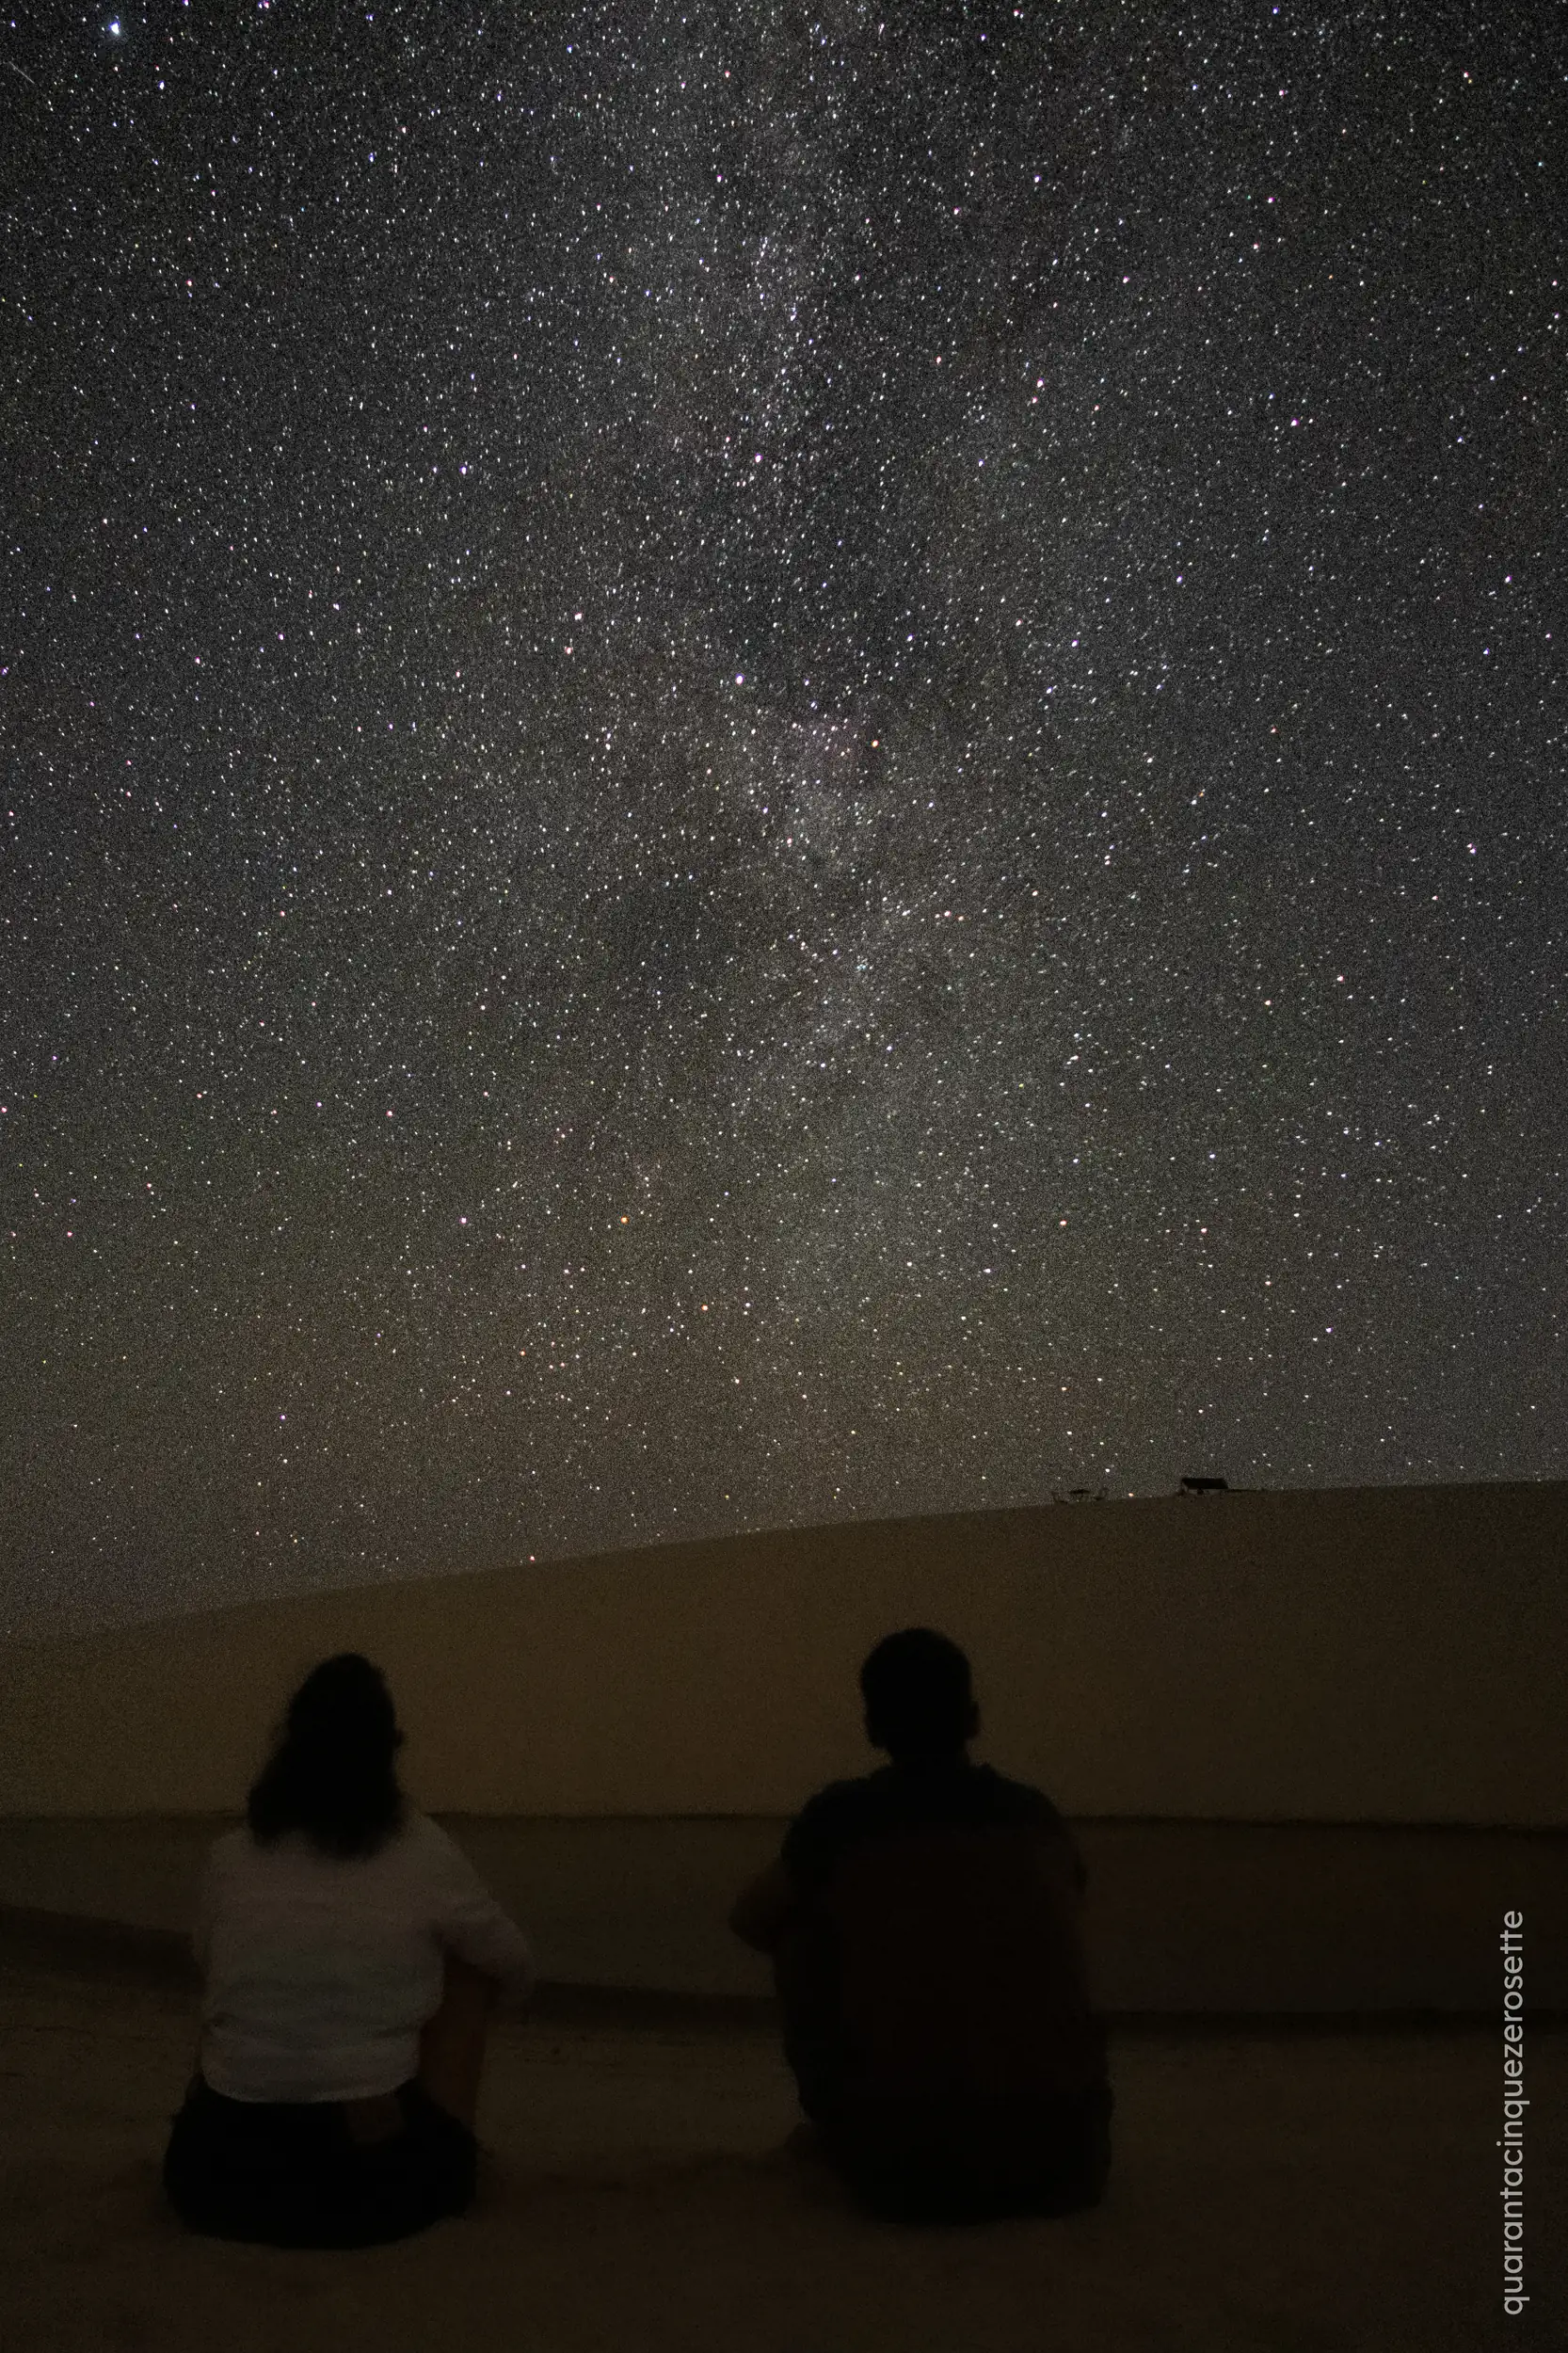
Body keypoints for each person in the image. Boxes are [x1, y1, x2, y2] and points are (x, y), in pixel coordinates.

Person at [729, 1626, 1111, 2223]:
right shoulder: (1034, 1816)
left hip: (907, 2168)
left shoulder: (840, 1821)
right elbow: (1073, 1897)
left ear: (872, 1727)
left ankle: (844, 2121)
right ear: (974, 1719)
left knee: (798, 1934)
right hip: (1071, 2159)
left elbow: (752, 1920)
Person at [163, 1652, 535, 2248]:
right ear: (387, 1751)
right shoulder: (420, 1850)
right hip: (367, 2187)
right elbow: (511, 1962)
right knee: (469, 1969)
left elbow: (205, 1958)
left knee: (245, 1973)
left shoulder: (231, 1855)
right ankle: (457, 2154)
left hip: (212, 2180)